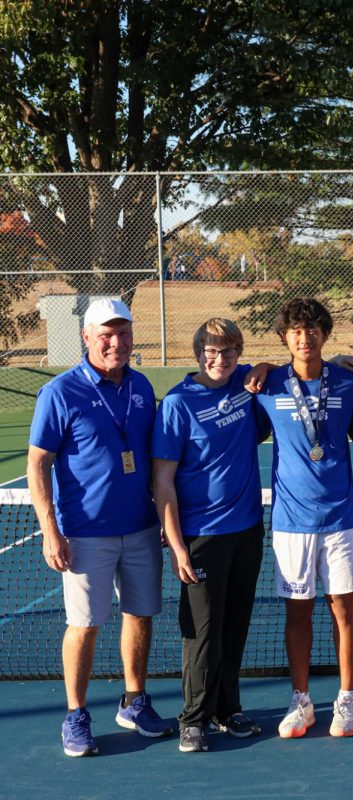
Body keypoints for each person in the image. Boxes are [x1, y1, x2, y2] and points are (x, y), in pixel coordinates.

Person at [29, 298, 173, 757]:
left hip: (142, 527)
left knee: (140, 614)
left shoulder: (141, 385)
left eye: (124, 333)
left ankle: (134, 701)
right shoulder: (59, 392)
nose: (117, 342)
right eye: (106, 334)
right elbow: (37, 464)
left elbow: (153, 461)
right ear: (87, 338)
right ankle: (75, 713)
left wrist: (168, 520)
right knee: (85, 624)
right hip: (85, 533)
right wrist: (50, 530)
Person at [153, 319, 270, 752]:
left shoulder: (245, 384)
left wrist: (265, 363)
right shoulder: (178, 404)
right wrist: (178, 544)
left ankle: (228, 710)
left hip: (248, 531)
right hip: (201, 536)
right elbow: (162, 481)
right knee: (202, 631)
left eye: (228, 351)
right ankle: (193, 718)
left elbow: (276, 369)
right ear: (198, 351)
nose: (219, 359)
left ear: (239, 352)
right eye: (211, 350)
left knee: (235, 625)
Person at [254, 298, 353, 739]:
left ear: (325, 334)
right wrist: (260, 364)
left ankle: (347, 698)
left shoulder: (349, 381)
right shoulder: (265, 384)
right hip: (291, 522)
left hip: (342, 517)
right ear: (285, 337)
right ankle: (301, 701)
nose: (306, 337)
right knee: (297, 613)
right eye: (297, 331)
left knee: (344, 608)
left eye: (314, 329)